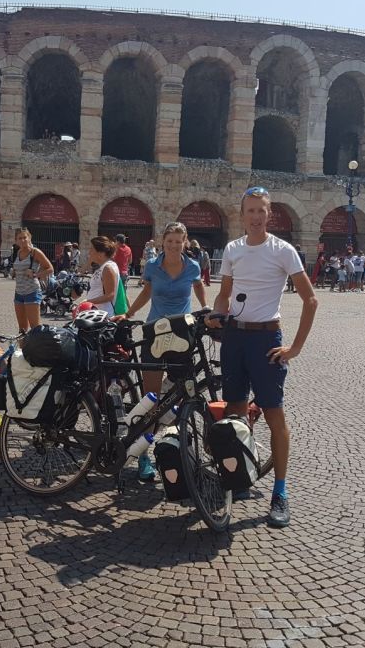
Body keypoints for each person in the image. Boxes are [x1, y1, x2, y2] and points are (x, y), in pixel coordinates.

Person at [206, 186, 317, 528]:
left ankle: (280, 492)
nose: (256, 216)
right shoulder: (233, 249)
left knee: (273, 415)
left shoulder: (283, 250)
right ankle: (241, 474)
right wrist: (217, 313)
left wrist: (295, 348)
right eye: (250, 210)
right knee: (236, 410)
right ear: (242, 215)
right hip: (234, 338)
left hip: (267, 338)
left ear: (270, 214)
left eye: (261, 210)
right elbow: (224, 295)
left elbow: (311, 300)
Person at [117, 222, 207, 480]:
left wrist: (205, 307)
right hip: (154, 333)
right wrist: (129, 314)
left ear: (185, 242)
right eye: (170, 241)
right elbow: (147, 292)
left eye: (179, 242)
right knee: (152, 398)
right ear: (162, 242)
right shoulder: (153, 266)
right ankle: (143, 455)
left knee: (179, 395)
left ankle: (172, 448)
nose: (174, 246)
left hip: (181, 334)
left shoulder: (192, 266)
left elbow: (198, 285)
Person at [11, 228, 53, 332]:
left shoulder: (35, 252)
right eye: (19, 238)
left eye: (24, 237)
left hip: (32, 292)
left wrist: (35, 274)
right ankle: (23, 343)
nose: (22, 240)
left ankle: (37, 343)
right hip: (18, 293)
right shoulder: (18, 252)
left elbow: (50, 269)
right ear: (16, 240)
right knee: (22, 329)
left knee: (35, 328)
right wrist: (14, 272)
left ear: (29, 237)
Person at [82, 236, 121, 317]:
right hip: (96, 313)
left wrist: (88, 302)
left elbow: (110, 295)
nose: (89, 252)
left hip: (102, 314)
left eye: (92, 249)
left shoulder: (107, 268)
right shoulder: (103, 267)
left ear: (101, 253)